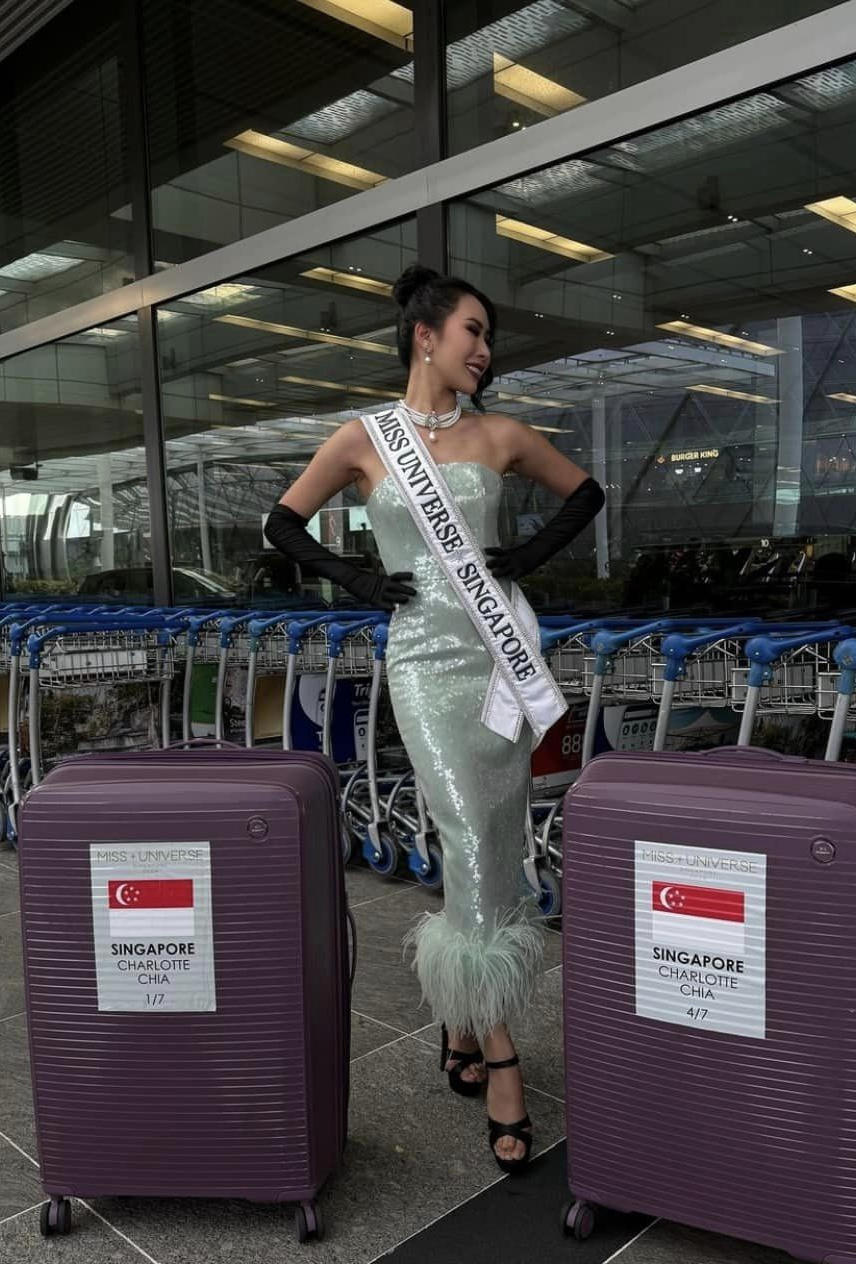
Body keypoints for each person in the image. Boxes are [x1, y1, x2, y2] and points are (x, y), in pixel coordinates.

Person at [264, 264, 604, 1174]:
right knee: (461, 828)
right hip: (420, 664)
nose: (484, 351)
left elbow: (585, 493)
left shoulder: (499, 435)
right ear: (425, 336)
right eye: (472, 332)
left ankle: (459, 1028)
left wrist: (522, 553)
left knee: (494, 835)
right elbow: (282, 524)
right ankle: (499, 1054)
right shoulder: (363, 439)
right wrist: (361, 582)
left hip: (493, 658)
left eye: (486, 337)